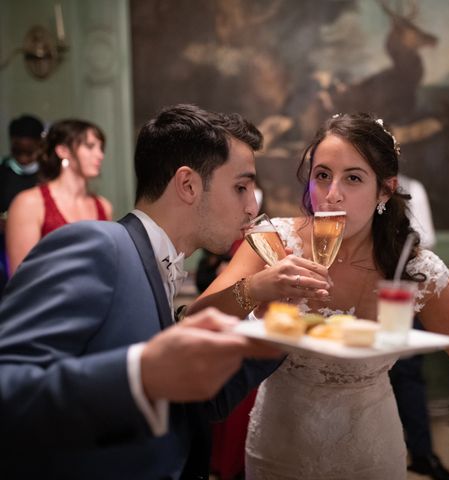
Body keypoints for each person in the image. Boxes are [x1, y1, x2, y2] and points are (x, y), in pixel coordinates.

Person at [189, 113, 449, 479]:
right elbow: (194, 320)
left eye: (353, 178)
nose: (332, 195)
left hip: (369, 452)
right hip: (279, 448)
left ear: (384, 189)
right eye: (322, 176)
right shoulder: (273, 243)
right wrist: (257, 288)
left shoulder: (413, 267)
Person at [0, 104, 282, 479]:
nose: (252, 207)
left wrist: (280, 332)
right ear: (187, 184)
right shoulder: (99, 245)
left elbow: (190, 403)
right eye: (241, 187)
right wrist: (139, 375)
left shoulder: (160, 262)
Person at [392, 174, 449, 479]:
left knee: (407, 373)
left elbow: (425, 237)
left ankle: (421, 453)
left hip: (399, 291)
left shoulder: (412, 188)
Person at [5, 119, 113, 276]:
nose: (100, 155)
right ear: (63, 150)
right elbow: (21, 279)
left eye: (101, 148)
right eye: (90, 147)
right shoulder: (30, 203)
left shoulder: (103, 205)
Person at [0, 114, 45, 288]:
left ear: (40, 145)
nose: (24, 158)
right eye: (18, 152)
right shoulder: (3, 172)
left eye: (29, 152)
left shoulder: (49, 175)